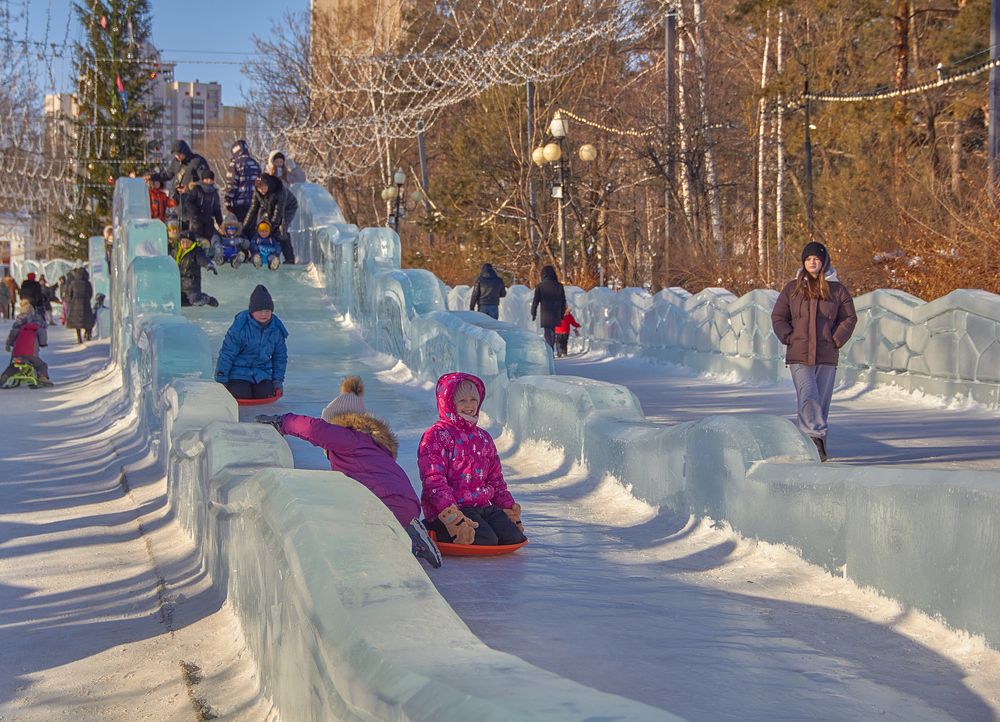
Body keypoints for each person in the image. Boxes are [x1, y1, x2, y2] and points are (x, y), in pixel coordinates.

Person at [255, 376, 442, 569]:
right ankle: (413, 542)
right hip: (406, 503)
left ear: (338, 422)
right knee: (385, 544)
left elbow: (314, 429)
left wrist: (282, 421)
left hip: (385, 504)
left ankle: (410, 537)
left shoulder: (348, 437)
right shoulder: (374, 445)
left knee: (361, 543)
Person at [771, 241, 858, 462]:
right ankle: (815, 438)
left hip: (826, 354)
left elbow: (849, 318)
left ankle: (812, 443)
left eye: (816, 258)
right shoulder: (792, 288)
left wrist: (836, 339)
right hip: (799, 353)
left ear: (824, 262)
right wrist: (789, 337)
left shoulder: (837, 290)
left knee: (821, 400)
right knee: (808, 394)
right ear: (803, 262)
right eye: (808, 258)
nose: (812, 262)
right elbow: (778, 317)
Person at [418, 372, 526, 546]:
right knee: (486, 540)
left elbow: (495, 479)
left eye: (473, 400)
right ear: (449, 403)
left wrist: (508, 507)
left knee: (513, 537)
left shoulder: (483, 438)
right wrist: (451, 514)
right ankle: (431, 528)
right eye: (462, 401)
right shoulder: (437, 435)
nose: (469, 406)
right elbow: (434, 480)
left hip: (482, 505)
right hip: (453, 509)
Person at [215, 284, 286, 399]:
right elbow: (227, 355)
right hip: (238, 373)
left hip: (262, 374)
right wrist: (221, 380)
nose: (264, 314)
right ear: (252, 311)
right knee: (241, 394)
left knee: (266, 395)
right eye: (260, 310)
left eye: (267, 311)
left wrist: (277, 381)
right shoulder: (240, 328)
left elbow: (280, 357)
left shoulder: (276, 330)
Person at [241, 174, 299, 264]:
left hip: (288, 207)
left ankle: (289, 258)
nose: (261, 190)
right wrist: (244, 227)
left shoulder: (279, 191)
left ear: (268, 185)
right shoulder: (257, 192)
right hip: (268, 206)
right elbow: (253, 210)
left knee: (281, 229)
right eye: (259, 188)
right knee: (259, 226)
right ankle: (255, 254)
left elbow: (278, 213)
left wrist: (270, 229)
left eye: (263, 187)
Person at [2, 299, 52, 387]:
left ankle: (4, 377)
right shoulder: (36, 326)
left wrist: (8, 344)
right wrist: (43, 343)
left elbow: (12, 334)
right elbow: (42, 334)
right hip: (31, 352)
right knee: (40, 365)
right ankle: (43, 378)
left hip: (17, 352)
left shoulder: (18, 326)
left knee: (13, 365)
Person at [170, 140, 211, 230]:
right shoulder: (175, 163)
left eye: (179, 154)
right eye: (175, 155)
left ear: (184, 151)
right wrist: (152, 177)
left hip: (194, 206)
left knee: (194, 234)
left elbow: (207, 180)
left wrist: (190, 188)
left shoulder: (197, 161)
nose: (177, 157)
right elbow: (167, 174)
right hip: (179, 206)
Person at [175, 231, 219, 307]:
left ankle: (207, 299)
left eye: (188, 242)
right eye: (183, 242)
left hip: (192, 284)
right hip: (179, 283)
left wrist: (208, 265)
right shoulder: (177, 252)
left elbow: (202, 259)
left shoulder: (196, 251)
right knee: (180, 302)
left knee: (195, 301)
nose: (185, 244)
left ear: (192, 243)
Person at [531, 264, 567, 352]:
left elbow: (536, 300)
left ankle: (549, 348)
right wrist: (562, 314)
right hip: (555, 312)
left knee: (547, 332)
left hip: (545, 312)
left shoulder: (540, 286)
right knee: (553, 331)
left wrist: (533, 312)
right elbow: (563, 300)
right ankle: (551, 348)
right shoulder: (559, 286)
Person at [225, 140, 261, 224]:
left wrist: (228, 201)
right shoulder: (255, 163)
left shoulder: (235, 164)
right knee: (251, 229)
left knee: (240, 229)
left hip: (239, 204)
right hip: (253, 203)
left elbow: (231, 185)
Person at [184, 170, 223, 243]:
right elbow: (188, 201)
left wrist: (220, 223)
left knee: (208, 240)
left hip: (208, 220)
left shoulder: (214, 193)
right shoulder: (197, 189)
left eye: (211, 179)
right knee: (196, 239)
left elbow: (217, 209)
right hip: (197, 220)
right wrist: (194, 211)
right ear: (203, 179)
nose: (209, 181)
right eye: (207, 179)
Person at [66, 267, 95, 343]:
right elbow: (91, 293)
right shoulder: (87, 283)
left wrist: (71, 300)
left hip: (75, 304)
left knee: (77, 322)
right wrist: (87, 299)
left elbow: (69, 294)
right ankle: (88, 334)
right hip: (86, 304)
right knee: (87, 320)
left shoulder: (73, 283)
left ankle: (79, 338)